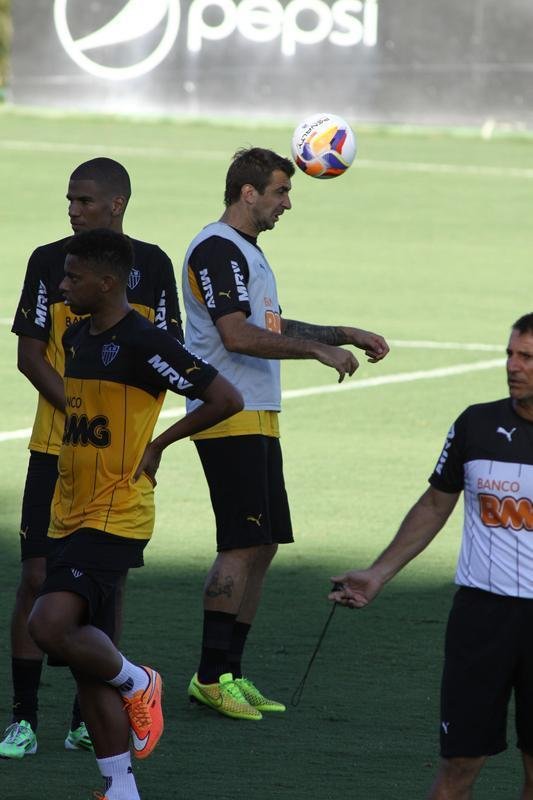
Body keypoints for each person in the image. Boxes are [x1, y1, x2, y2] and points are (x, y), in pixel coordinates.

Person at [27, 228, 242, 800]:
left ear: (107, 282)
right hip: (69, 512)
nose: (63, 285)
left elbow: (224, 398)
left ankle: (139, 679)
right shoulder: (74, 338)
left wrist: (160, 443)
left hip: (115, 512)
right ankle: (119, 787)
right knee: (83, 655)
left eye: (72, 277)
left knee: (48, 627)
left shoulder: (145, 341)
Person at [181, 146, 390, 720]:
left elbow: (269, 324)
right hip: (229, 415)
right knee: (240, 544)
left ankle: (231, 672)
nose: (287, 203)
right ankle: (208, 675)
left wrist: (343, 332)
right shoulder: (217, 248)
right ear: (248, 193)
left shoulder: (246, 251)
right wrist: (317, 351)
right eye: (280, 192)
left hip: (259, 413)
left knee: (265, 544)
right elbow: (237, 337)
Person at [5, 157, 183, 759]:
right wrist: (80, 411)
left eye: (82, 200)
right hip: (54, 448)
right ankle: (23, 718)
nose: (72, 209)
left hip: (118, 463)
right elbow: (31, 357)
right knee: (36, 579)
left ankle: (89, 717)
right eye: (69, 200)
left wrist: (137, 435)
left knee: (105, 592)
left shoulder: (154, 266)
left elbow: (170, 357)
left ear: (116, 205)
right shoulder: (47, 261)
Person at [329, 313, 533, 800]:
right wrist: (379, 573)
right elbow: (435, 504)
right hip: (481, 618)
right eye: (510, 354)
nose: (513, 366)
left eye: (526, 357)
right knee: (459, 766)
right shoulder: (477, 425)